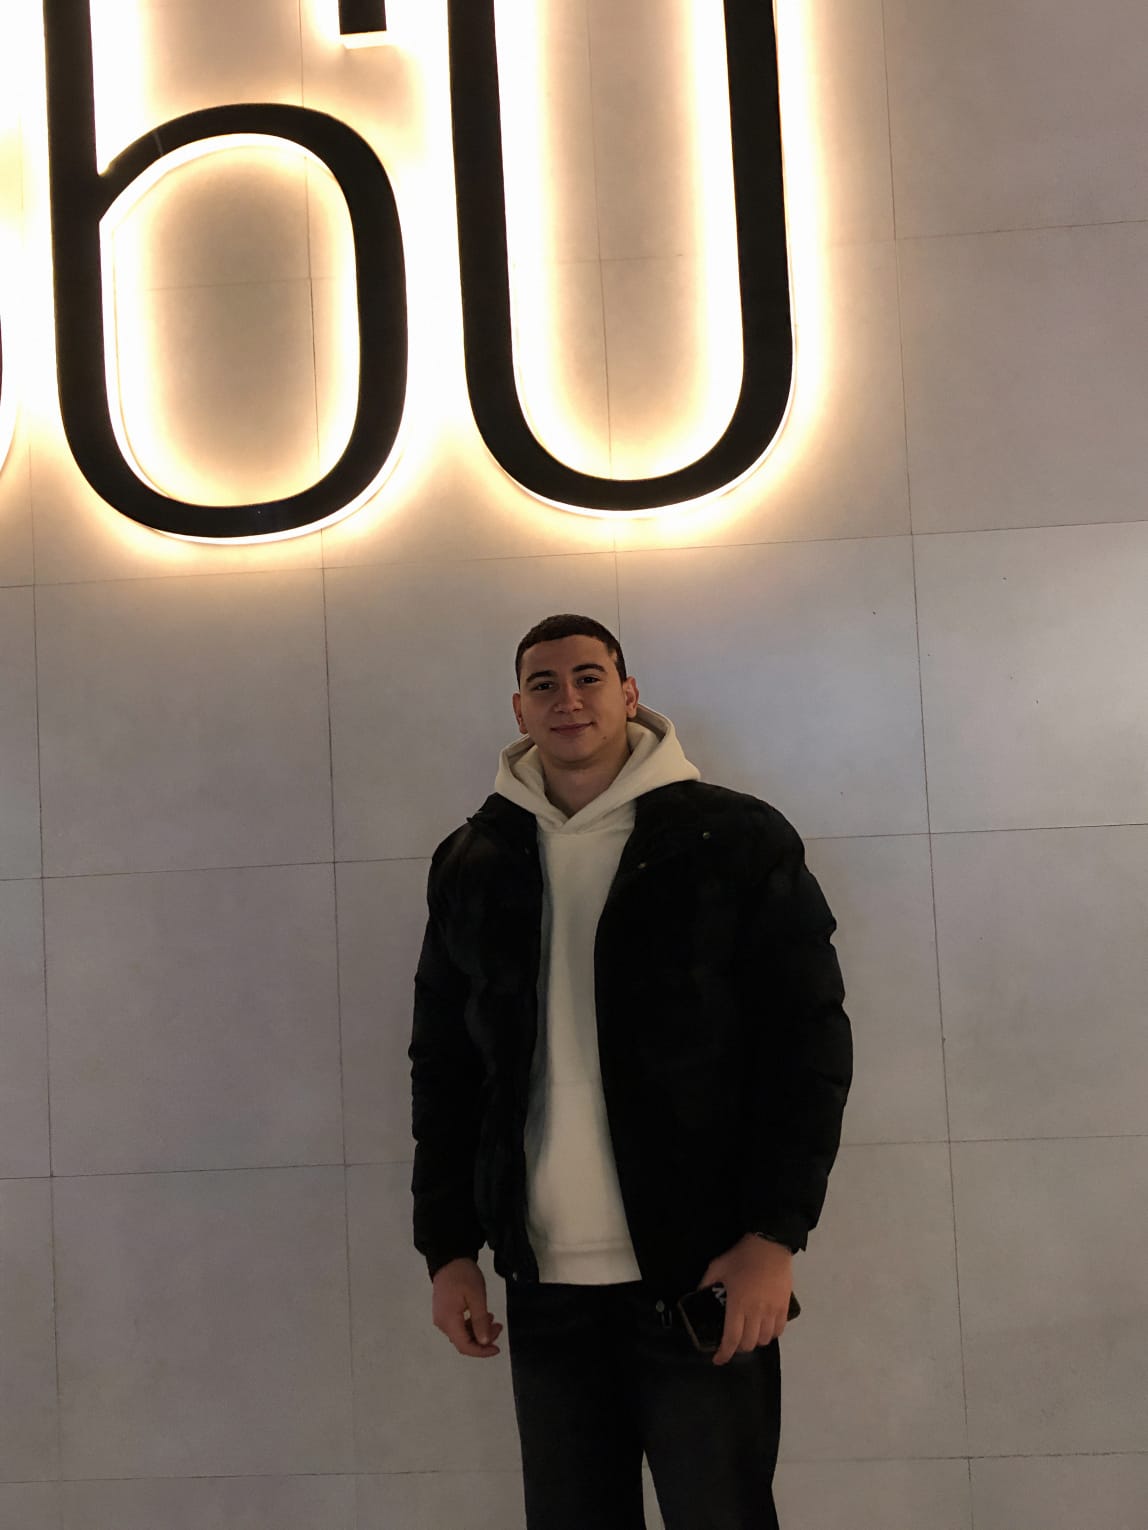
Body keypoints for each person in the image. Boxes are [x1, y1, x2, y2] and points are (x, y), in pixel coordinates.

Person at [409, 613, 852, 1530]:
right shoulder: (474, 862)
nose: (567, 698)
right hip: (543, 1283)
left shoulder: (734, 838)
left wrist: (774, 1234)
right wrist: (448, 1251)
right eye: (544, 683)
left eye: (589, 677)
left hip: (701, 1272)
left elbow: (806, 1048)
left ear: (629, 693)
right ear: (519, 710)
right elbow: (444, 1071)